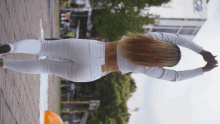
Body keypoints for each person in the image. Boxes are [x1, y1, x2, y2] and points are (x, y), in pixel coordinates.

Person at [0, 32, 218, 82]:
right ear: (161, 62)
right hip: (92, 72)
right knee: (46, 68)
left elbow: (178, 38)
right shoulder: (150, 68)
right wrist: (203, 70)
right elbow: (177, 77)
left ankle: (11, 47)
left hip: (92, 50)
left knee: (43, 46)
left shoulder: (148, 38)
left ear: (161, 45)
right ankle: (5, 63)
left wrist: (201, 51)